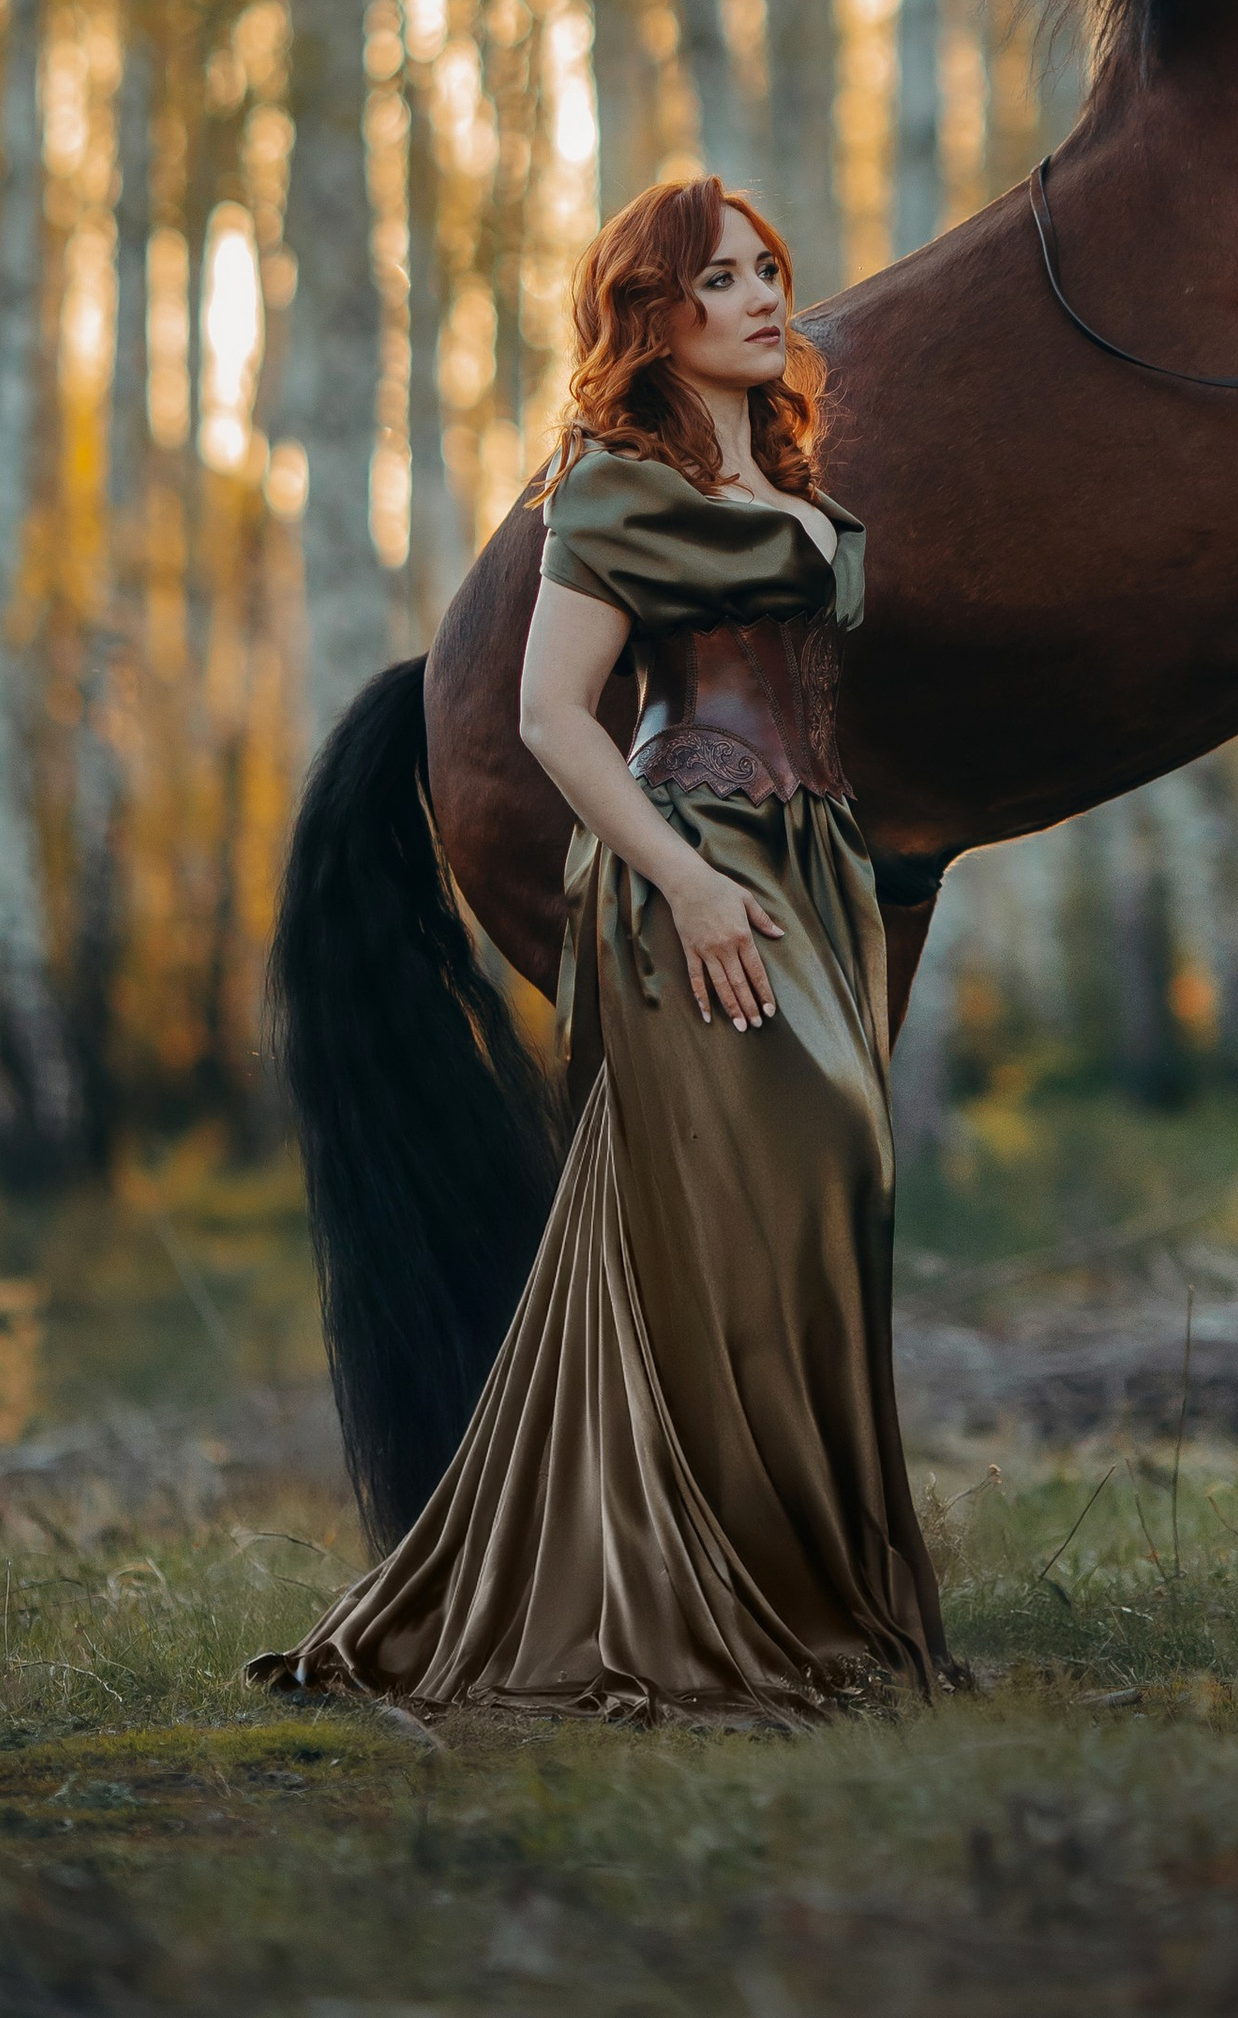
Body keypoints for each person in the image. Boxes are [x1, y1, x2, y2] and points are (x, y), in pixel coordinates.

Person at [249, 176, 947, 1724]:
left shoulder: (789, 474)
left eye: (773, 269)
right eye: (726, 279)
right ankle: (720, 1604)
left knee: (834, 1200)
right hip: (688, 877)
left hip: (816, 870)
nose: (769, 297)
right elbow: (554, 720)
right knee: (754, 1219)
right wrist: (690, 887)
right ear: (657, 313)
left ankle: (819, 1597)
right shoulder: (608, 492)